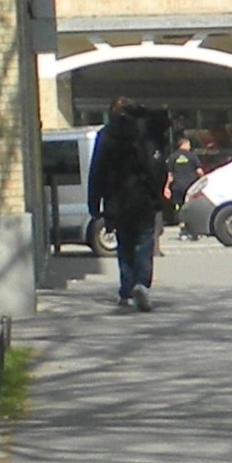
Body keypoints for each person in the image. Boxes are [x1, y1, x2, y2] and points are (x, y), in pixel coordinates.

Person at [89, 100, 175, 310]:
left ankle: (126, 290)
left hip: (117, 199)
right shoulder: (144, 131)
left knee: (124, 244)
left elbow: (97, 170)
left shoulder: (106, 135)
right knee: (145, 242)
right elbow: (157, 165)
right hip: (144, 197)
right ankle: (142, 284)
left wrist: (94, 204)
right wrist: (157, 195)